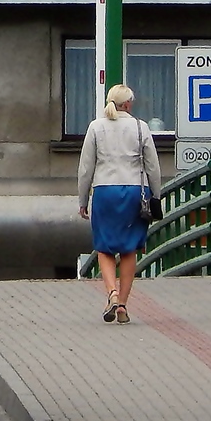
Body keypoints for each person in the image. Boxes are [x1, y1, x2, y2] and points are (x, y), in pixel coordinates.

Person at [77, 84, 162, 324]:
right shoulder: (140, 127)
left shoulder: (96, 127)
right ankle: (123, 305)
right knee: (129, 248)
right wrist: (155, 196)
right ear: (127, 104)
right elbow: (153, 166)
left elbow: (86, 168)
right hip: (135, 191)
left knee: (104, 246)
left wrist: (83, 199)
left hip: (104, 191)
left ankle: (111, 293)